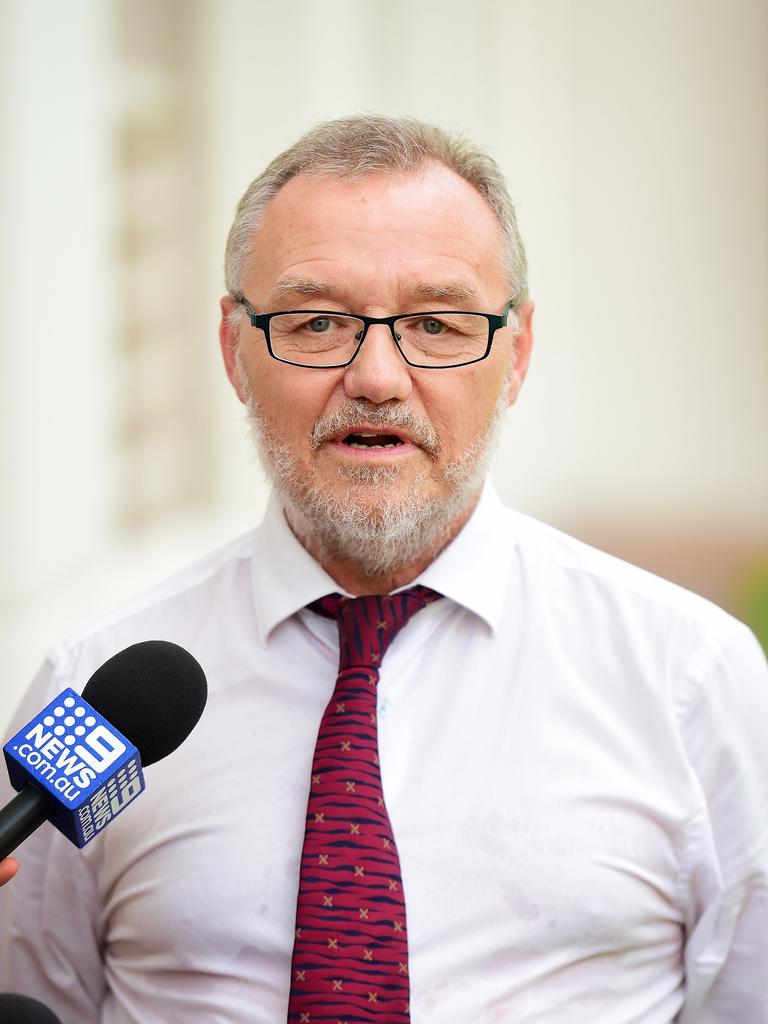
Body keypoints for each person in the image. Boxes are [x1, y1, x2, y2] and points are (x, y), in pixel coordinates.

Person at [1, 115, 766, 1023]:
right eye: (316, 321)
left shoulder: (690, 678)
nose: (376, 375)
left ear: (515, 353)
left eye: (437, 324)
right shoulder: (95, 691)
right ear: (233, 352)